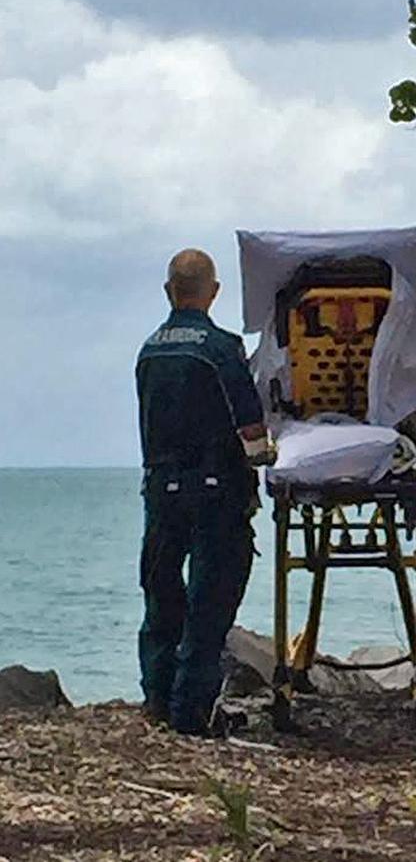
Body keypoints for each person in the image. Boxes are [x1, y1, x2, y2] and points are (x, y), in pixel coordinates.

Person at [135, 248, 270, 737]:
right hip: (215, 492)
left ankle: (157, 696)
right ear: (213, 293)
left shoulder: (149, 350)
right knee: (209, 599)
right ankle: (193, 709)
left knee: (162, 594)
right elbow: (250, 425)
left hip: (161, 489)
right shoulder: (220, 348)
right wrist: (266, 459)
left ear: (170, 291)